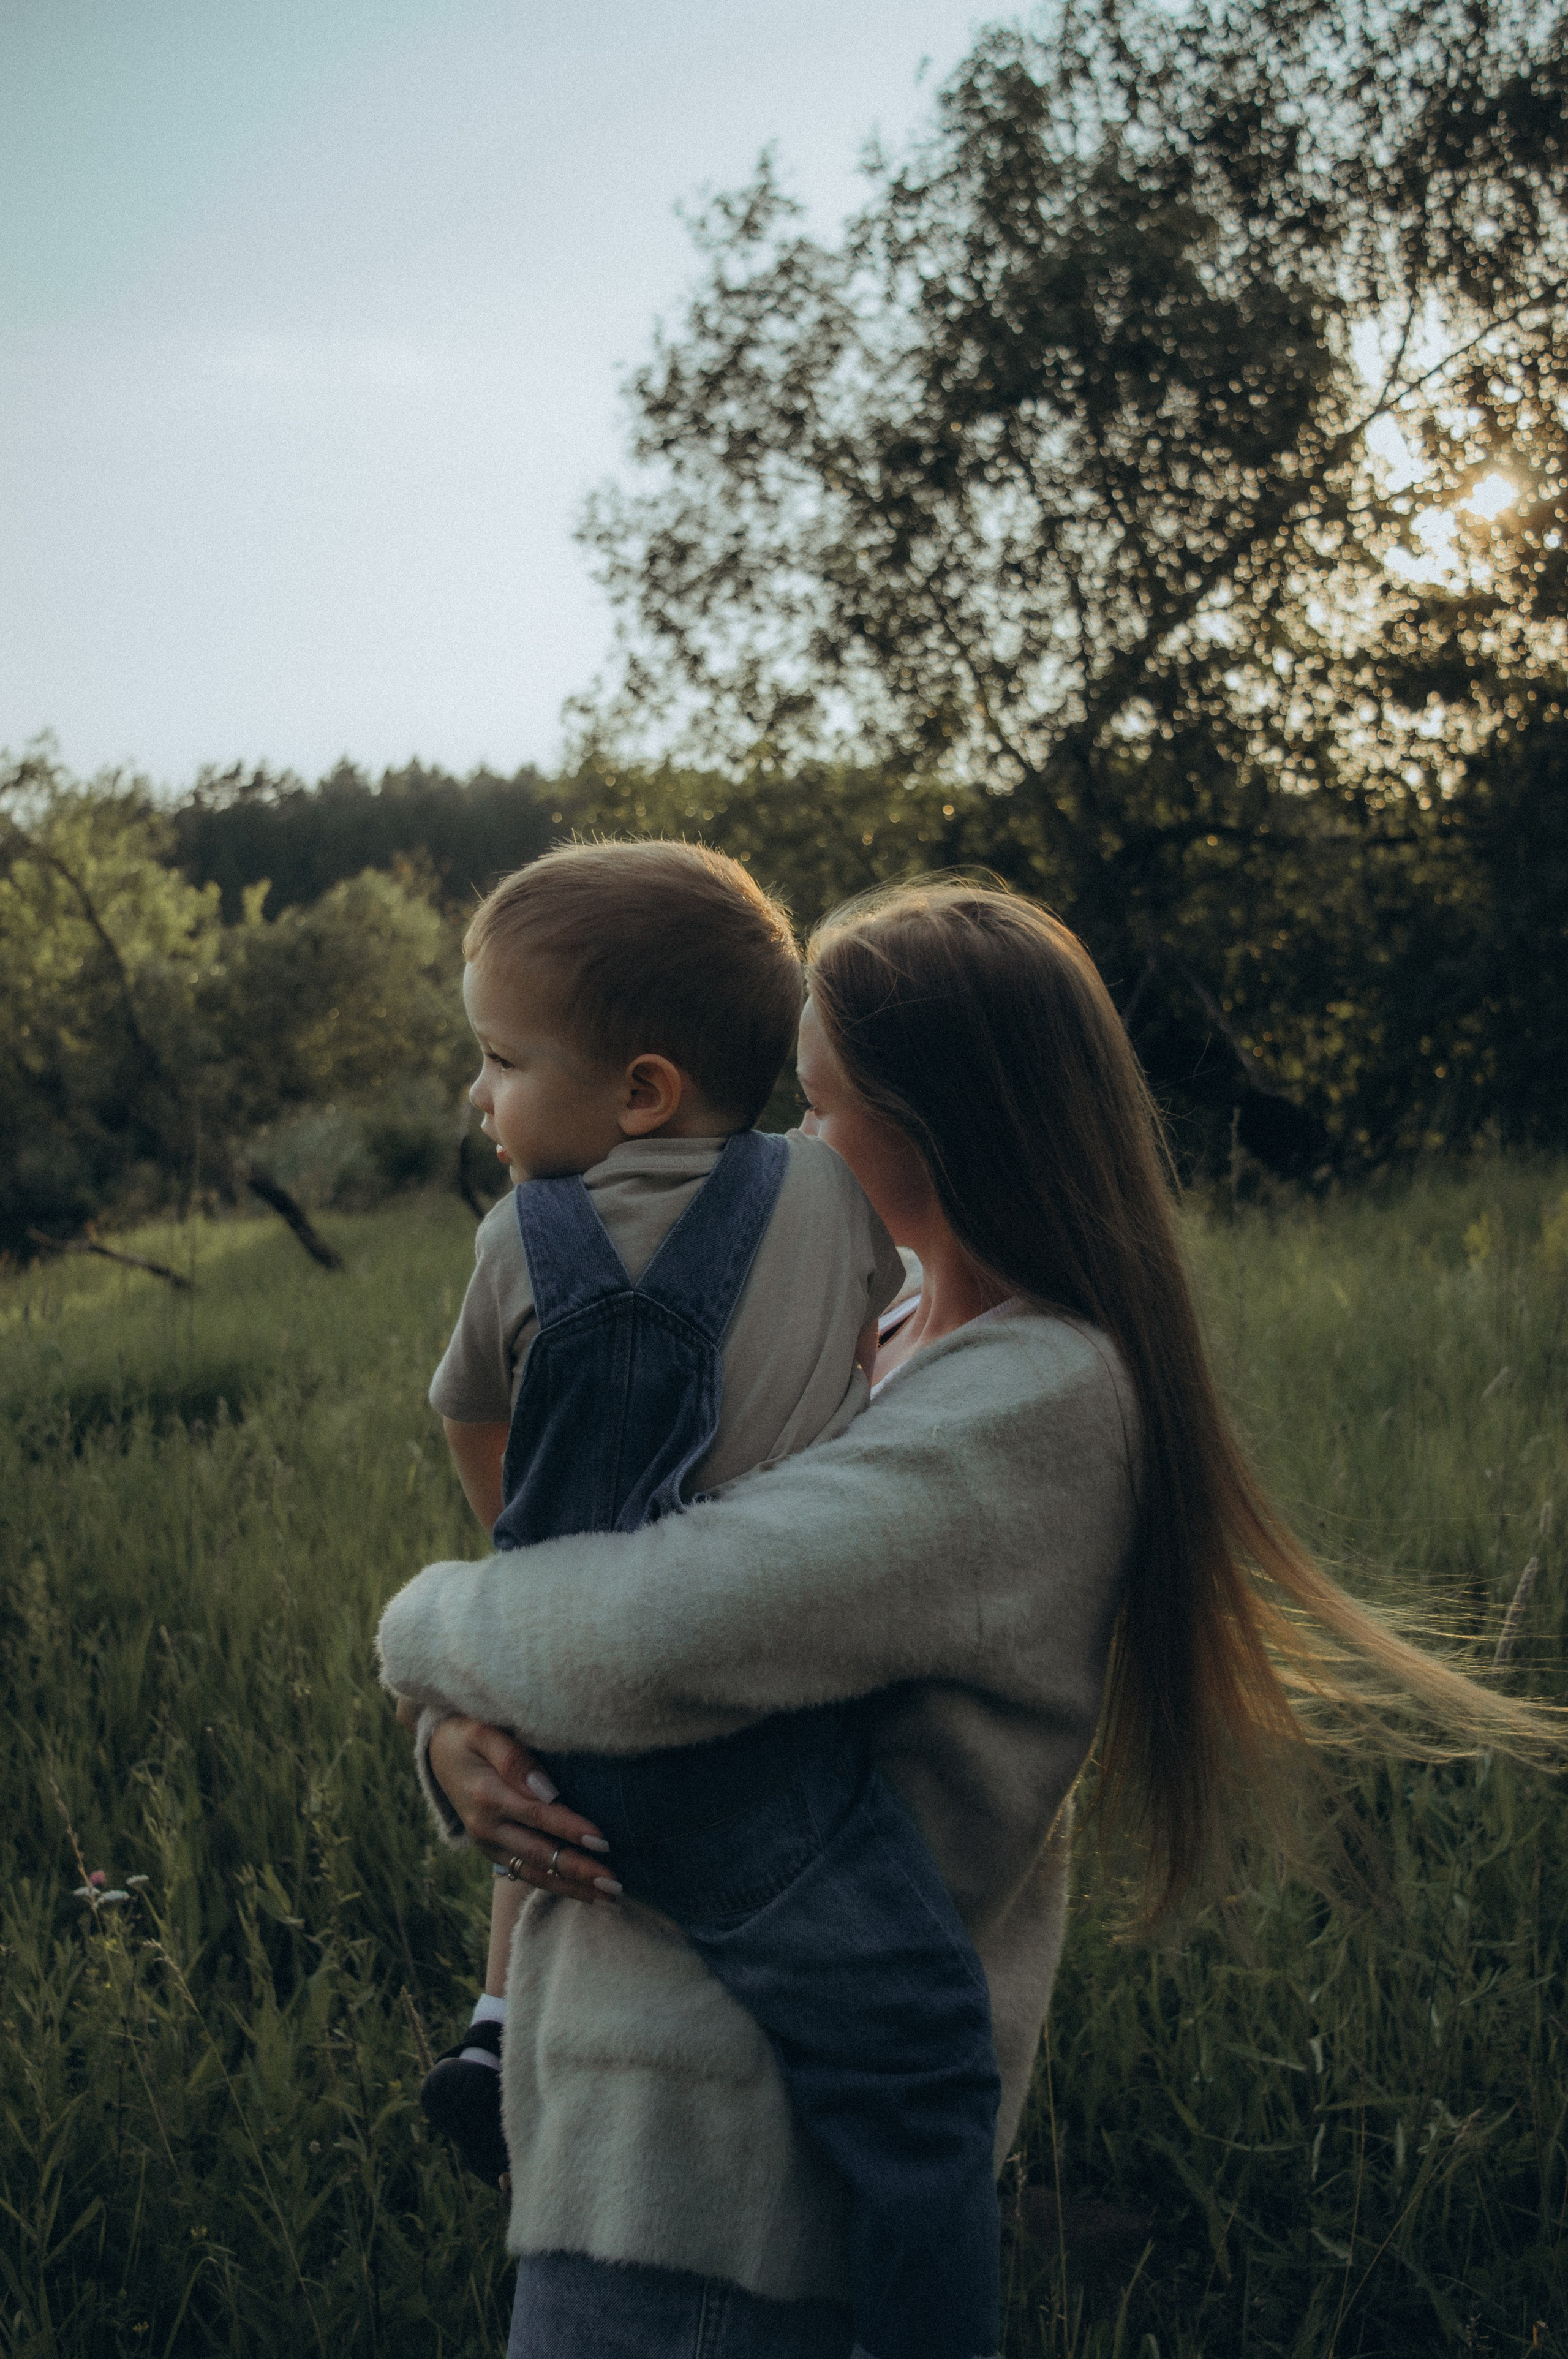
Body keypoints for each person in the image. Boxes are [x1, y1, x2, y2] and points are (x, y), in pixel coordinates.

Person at [380, 878, 1542, 2359]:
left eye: (813, 1107)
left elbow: (653, 1634)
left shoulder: (1036, 1401)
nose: (782, 1149)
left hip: (740, 2178)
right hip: (612, 2118)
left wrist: (422, 1635)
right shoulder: (868, 1324)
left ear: (938, 1127)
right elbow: (604, 1598)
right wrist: (459, 1755)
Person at [415, 838, 1007, 2359]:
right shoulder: (819, 1196)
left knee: (551, 1813)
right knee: (923, 2068)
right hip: (740, 1744)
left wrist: (531, 1574)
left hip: (566, 1716)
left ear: (640, 1092)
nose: (477, 1096)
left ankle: (493, 2027)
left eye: (499, 1062)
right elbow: (878, 1353)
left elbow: (470, 1420)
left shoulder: (509, 1243)